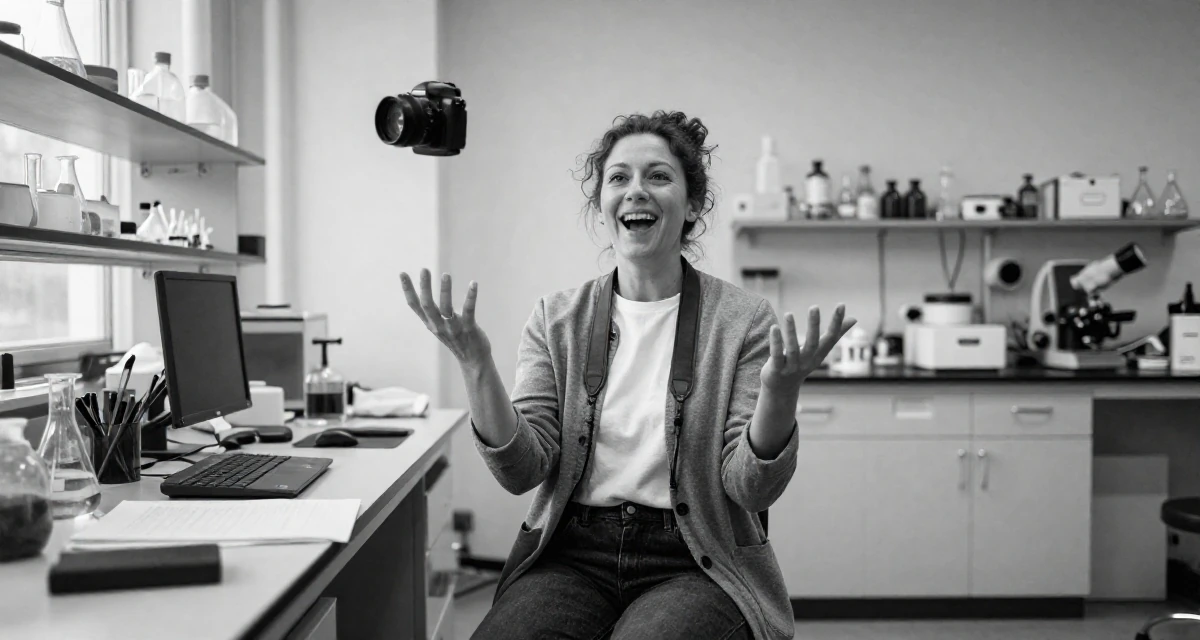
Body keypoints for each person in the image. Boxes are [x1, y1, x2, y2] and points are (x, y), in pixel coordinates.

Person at [400, 110, 854, 640]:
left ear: (692, 206)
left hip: (695, 560)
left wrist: (780, 393)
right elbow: (521, 470)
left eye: (658, 176)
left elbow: (749, 489)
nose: (636, 190)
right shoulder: (556, 317)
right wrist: (475, 365)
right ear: (602, 206)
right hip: (572, 556)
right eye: (618, 177)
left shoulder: (745, 321)